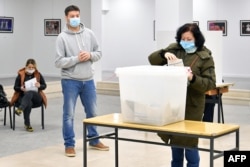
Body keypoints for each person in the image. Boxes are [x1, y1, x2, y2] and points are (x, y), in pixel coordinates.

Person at [148, 23, 216, 167]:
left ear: (196, 39)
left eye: (189, 39)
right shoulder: (175, 48)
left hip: (192, 105)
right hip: (173, 103)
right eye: (183, 38)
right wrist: (163, 54)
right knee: (175, 142)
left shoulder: (205, 57)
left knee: (190, 143)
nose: (185, 41)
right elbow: (152, 59)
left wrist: (192, 78)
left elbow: (210, 84)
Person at [55, 5, 109, 157]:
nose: (75, 18)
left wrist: (90, 55)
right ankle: (69, 145)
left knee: (93, 112)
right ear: (66, 17)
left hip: (88, 81)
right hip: (70, 81)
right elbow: (58, 62)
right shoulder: (61, 38)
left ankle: (94, 139)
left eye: (77, 15)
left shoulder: (89, 34)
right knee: (69, 114)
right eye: (72, 16)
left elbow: (99, 53)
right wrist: (76, 59)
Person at [10, 58, 47, 132]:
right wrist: (21, 88)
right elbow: (15, 87)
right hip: (23, 97)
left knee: (30, 92)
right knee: (28, 103)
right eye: (29, 67)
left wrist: (39, 86)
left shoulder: (38, 75)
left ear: (35, 67)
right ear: (26, 67)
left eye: (32, 67)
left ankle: (20, 109)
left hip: (36, 97)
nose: (31, 69)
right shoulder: (21, 75)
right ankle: (27, 124)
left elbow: (44, 86)